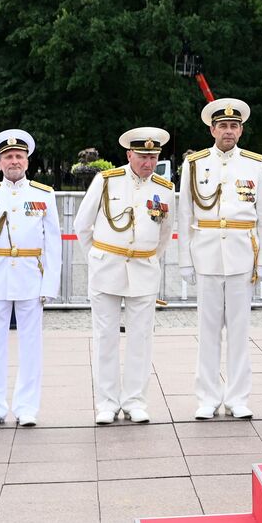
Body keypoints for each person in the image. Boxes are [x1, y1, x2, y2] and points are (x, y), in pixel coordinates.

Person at [177, 100, 262, 420]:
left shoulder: (256, 164)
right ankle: (207, 397)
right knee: (207, 331)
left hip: (243, 254)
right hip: (206, 254)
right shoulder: (194, 163)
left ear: (241, 130)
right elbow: (185, 214)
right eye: (223, 126)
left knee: (239, 330)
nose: (228, 131)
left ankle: (237, 397)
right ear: (212, 129)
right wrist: (185, 261)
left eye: (234, 126)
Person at [75, 127, 175, 425]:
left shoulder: (164, 188)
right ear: (129, 154)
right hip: (107, 266)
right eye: (143, 156)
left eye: (153, 156)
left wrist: (148, 259)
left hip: (143, 270)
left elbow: (165, 234)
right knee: (105, 337)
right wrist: (96, 259)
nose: (148, 162)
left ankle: (135, 401)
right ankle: (106, 402)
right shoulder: (106, 181)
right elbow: (83, 225)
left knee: (140, 339)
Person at [0, 129, 63, 427]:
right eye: (8, 157)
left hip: (30, 277)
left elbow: (53, 243)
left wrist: (50, 284)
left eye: (19, 156)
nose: (14, 161)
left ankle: (26, 407)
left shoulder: (43, 194)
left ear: (27, 161)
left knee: (31, 346)